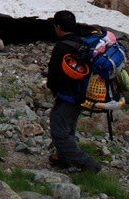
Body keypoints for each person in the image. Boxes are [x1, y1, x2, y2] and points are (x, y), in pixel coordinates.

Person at [46, 10, 103, 173]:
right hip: (82, 94)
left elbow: (55, 74)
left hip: (67, 95)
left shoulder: (62, 47)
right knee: (69, 127)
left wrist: (52, 88)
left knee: (59, 131)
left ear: (58, 27)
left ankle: (88, 165)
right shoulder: (82, 43)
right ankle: (63, 159)